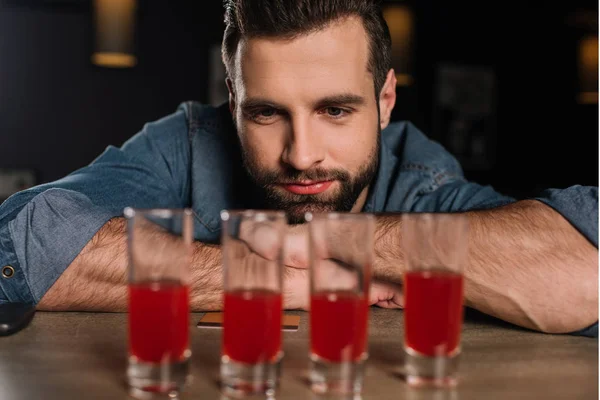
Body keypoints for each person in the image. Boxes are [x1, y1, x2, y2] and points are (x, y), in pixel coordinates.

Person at [0, 0, 596, 337]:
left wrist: (331, 240)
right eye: (266, 113)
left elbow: (582, 272)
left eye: (336, 110)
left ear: (385, 101)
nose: (301, 153)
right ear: (233, 103)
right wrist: (289, 278)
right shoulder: (187, 141)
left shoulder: (422, 179)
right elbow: (23, 238)